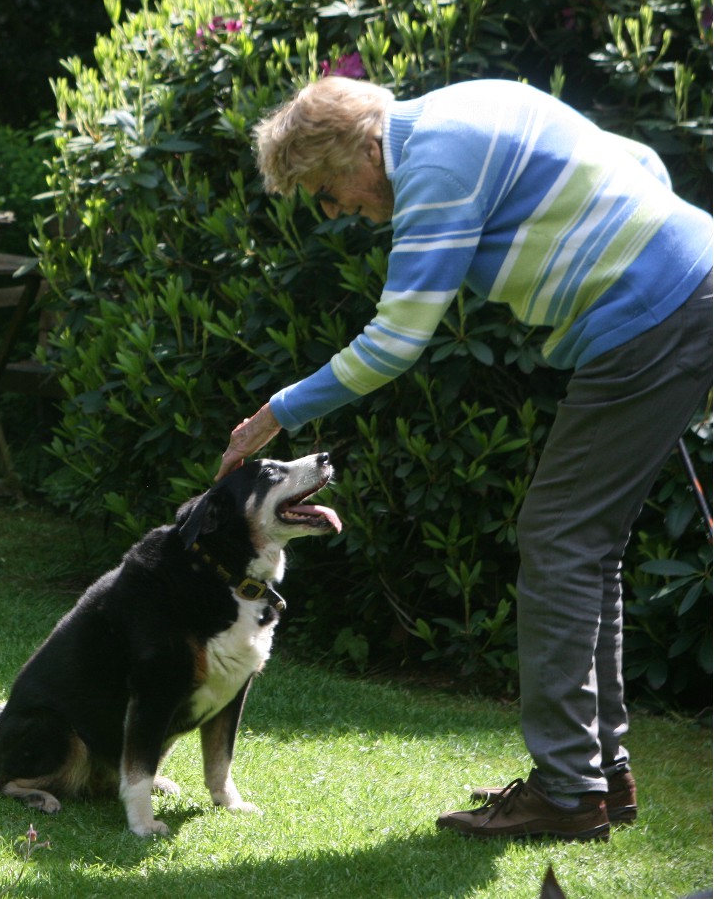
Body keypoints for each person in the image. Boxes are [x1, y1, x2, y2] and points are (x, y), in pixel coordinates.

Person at [216, 76, 713, 842]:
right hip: (683, 291)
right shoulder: (464, 105)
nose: (333, 210)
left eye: (325, 187)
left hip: (655, 318)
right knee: (585, 547)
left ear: (360, 146)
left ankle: (568, 793)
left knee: (557, 540)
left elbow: (395, 341)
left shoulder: (435, 166)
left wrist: (274, 415)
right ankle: (598, 776)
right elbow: (640, 162)